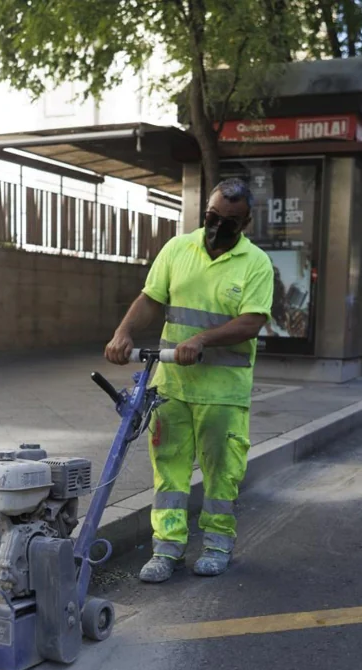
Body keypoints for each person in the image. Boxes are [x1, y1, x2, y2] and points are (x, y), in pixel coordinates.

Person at [104, 179, 273, 582]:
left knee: (221, 476)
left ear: (245, 222)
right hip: (172, 388)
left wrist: (202, 340)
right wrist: (123, 332)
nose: (218, 226)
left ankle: (217, 545)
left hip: (223, 394)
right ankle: (167, 549)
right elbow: (151, 299)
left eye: (230, 221)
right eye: (213, 217)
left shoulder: (256, 264)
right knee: (170, 474)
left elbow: (252, 321)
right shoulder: (178, 249)